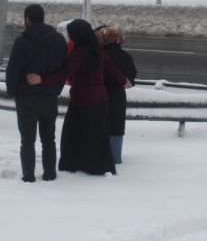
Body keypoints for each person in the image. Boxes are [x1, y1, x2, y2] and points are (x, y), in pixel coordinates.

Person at [27, 19, 131, 176]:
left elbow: (64, 73)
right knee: (96, 137)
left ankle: (74, 164)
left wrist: (42, 79)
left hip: (82, 101)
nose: (70, 38)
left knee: (73, 135)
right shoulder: (97, 50)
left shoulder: (79, 52)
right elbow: (112, 69)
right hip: (101, 101)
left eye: (71, 35)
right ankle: (97, 166)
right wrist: (124, 81)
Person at [6, 4, 69, 182]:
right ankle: (50, 174)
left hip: (26, 98)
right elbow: (64, 68)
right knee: (48, 138)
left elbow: (13, 70)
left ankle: (28, 176)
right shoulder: (58, 40)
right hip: (49, 97)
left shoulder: (22, 41)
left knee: (27, 140)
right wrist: (53, 88)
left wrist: (13, 91)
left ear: (27, 20)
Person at [95, 26, 137, 164]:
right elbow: (131, 78)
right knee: (116, 127)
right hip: (117, 97)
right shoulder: (126, 57)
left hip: (98, 95)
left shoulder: (97, 56)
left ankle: (98, 156)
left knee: (99, 125)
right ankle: (115, 157)